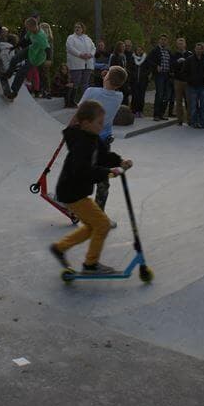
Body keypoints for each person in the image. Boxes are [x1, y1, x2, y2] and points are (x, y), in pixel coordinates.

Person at [48, 99, 133, 275]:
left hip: (77, 192)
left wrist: (119, 161)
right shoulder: (81, 144)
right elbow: (82, 171)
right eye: (99, 123)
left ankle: (60, 247)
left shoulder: (92, 138)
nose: (102, 126)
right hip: (73, 192)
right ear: (86, 123)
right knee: (102, 225)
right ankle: (90, 265)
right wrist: (107, 172)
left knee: (91, 226)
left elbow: (104, 155)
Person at [76, 66, 128, 211]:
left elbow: (79, 111)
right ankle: (100, 212)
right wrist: (109, 77)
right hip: (105, 142)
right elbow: (108, 90)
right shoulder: (119, 96)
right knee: (102, 178)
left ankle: (70, 203)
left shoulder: (91, 91)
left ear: (107, 77)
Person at [2, 17, 49, 100]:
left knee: (21, 72)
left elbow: (48, 49)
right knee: (14, 58)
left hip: (37, 58)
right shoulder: (30, 31)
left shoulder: (42, 37)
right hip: (31, 50)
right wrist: (14, 47)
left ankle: (14, 92)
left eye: (27, 28)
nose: (27, 29)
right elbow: (24, 40)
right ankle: (8, 74)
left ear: (33, 27)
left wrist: (48, 60)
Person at [65, 22, 95, 106]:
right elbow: (70, 48)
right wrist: (80, 54)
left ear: (82, 29)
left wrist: (91, 54)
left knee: (85, 83)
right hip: (76, 63)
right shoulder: (71, 38)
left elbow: (93, 48)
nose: (77, 28)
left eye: (79, 27)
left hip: (87, 63)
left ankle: (85, 101)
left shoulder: (87, 38)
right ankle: (71, 101)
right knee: (75, 82)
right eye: (75, 27)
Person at [184, 42, 204, 128]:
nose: (198, 50)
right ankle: (194, 122)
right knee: (193, 106)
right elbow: (184, 72)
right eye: (197, 48)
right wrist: (190, 80)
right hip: (192, 86)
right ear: (195, 49)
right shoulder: (189, 59)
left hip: (203, 86)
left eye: (200, 48)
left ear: (203, 49)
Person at [145, 34, 173, 121]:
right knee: (159, 95)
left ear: (167, 42)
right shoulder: (155, 50)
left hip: (167, 75)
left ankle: (161, 114)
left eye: (165, 40)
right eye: (162, 39)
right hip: (159, 75)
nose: (163, 41)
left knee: (167, 96)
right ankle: (156, 114)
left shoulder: (168, 51)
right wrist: (155, 66)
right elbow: (148, 60)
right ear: (159, 41)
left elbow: (171, 62)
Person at [170, 37, 192, 125]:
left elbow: (192, 66)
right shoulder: (174, 55)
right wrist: (177, 62)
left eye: (182, 43)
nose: (180, 45)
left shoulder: (189, 54)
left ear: (185, 44)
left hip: (187, 81)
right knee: (178, 101)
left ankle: (190, 119)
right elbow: (171, 66)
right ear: (177, 45)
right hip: (178, 80)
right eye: (179, 43)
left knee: (189, 101)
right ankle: (179, 120)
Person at [128, 44, 149, 117]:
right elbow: (130, 68)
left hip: (143, 80)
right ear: (136, 51)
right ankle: (134, 111)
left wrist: (145, 75)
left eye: (140, 50)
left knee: (141, 96)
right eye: (138, 50)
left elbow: (148, 69)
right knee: (135, 96)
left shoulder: (145, 58)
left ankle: (140, 111)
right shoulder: (132, 58)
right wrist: (132, 75)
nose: (139, 51)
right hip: (134, 80)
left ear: (143, 51)